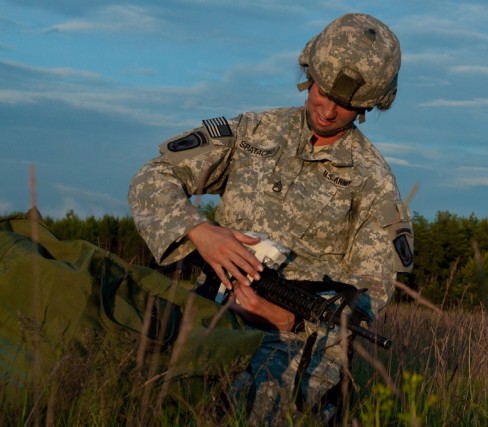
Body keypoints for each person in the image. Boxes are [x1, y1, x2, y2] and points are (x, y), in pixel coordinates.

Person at [128, 12, 413, 425]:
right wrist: (200, 231)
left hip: (292, 366)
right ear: (308, 71)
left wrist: (290, 320)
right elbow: (153, 177)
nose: (329, 110)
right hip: (206, 327)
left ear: (370, 106)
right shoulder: (252, 132)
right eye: (323, 91)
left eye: (347, 104)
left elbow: (369, 295)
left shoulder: (376, 184)